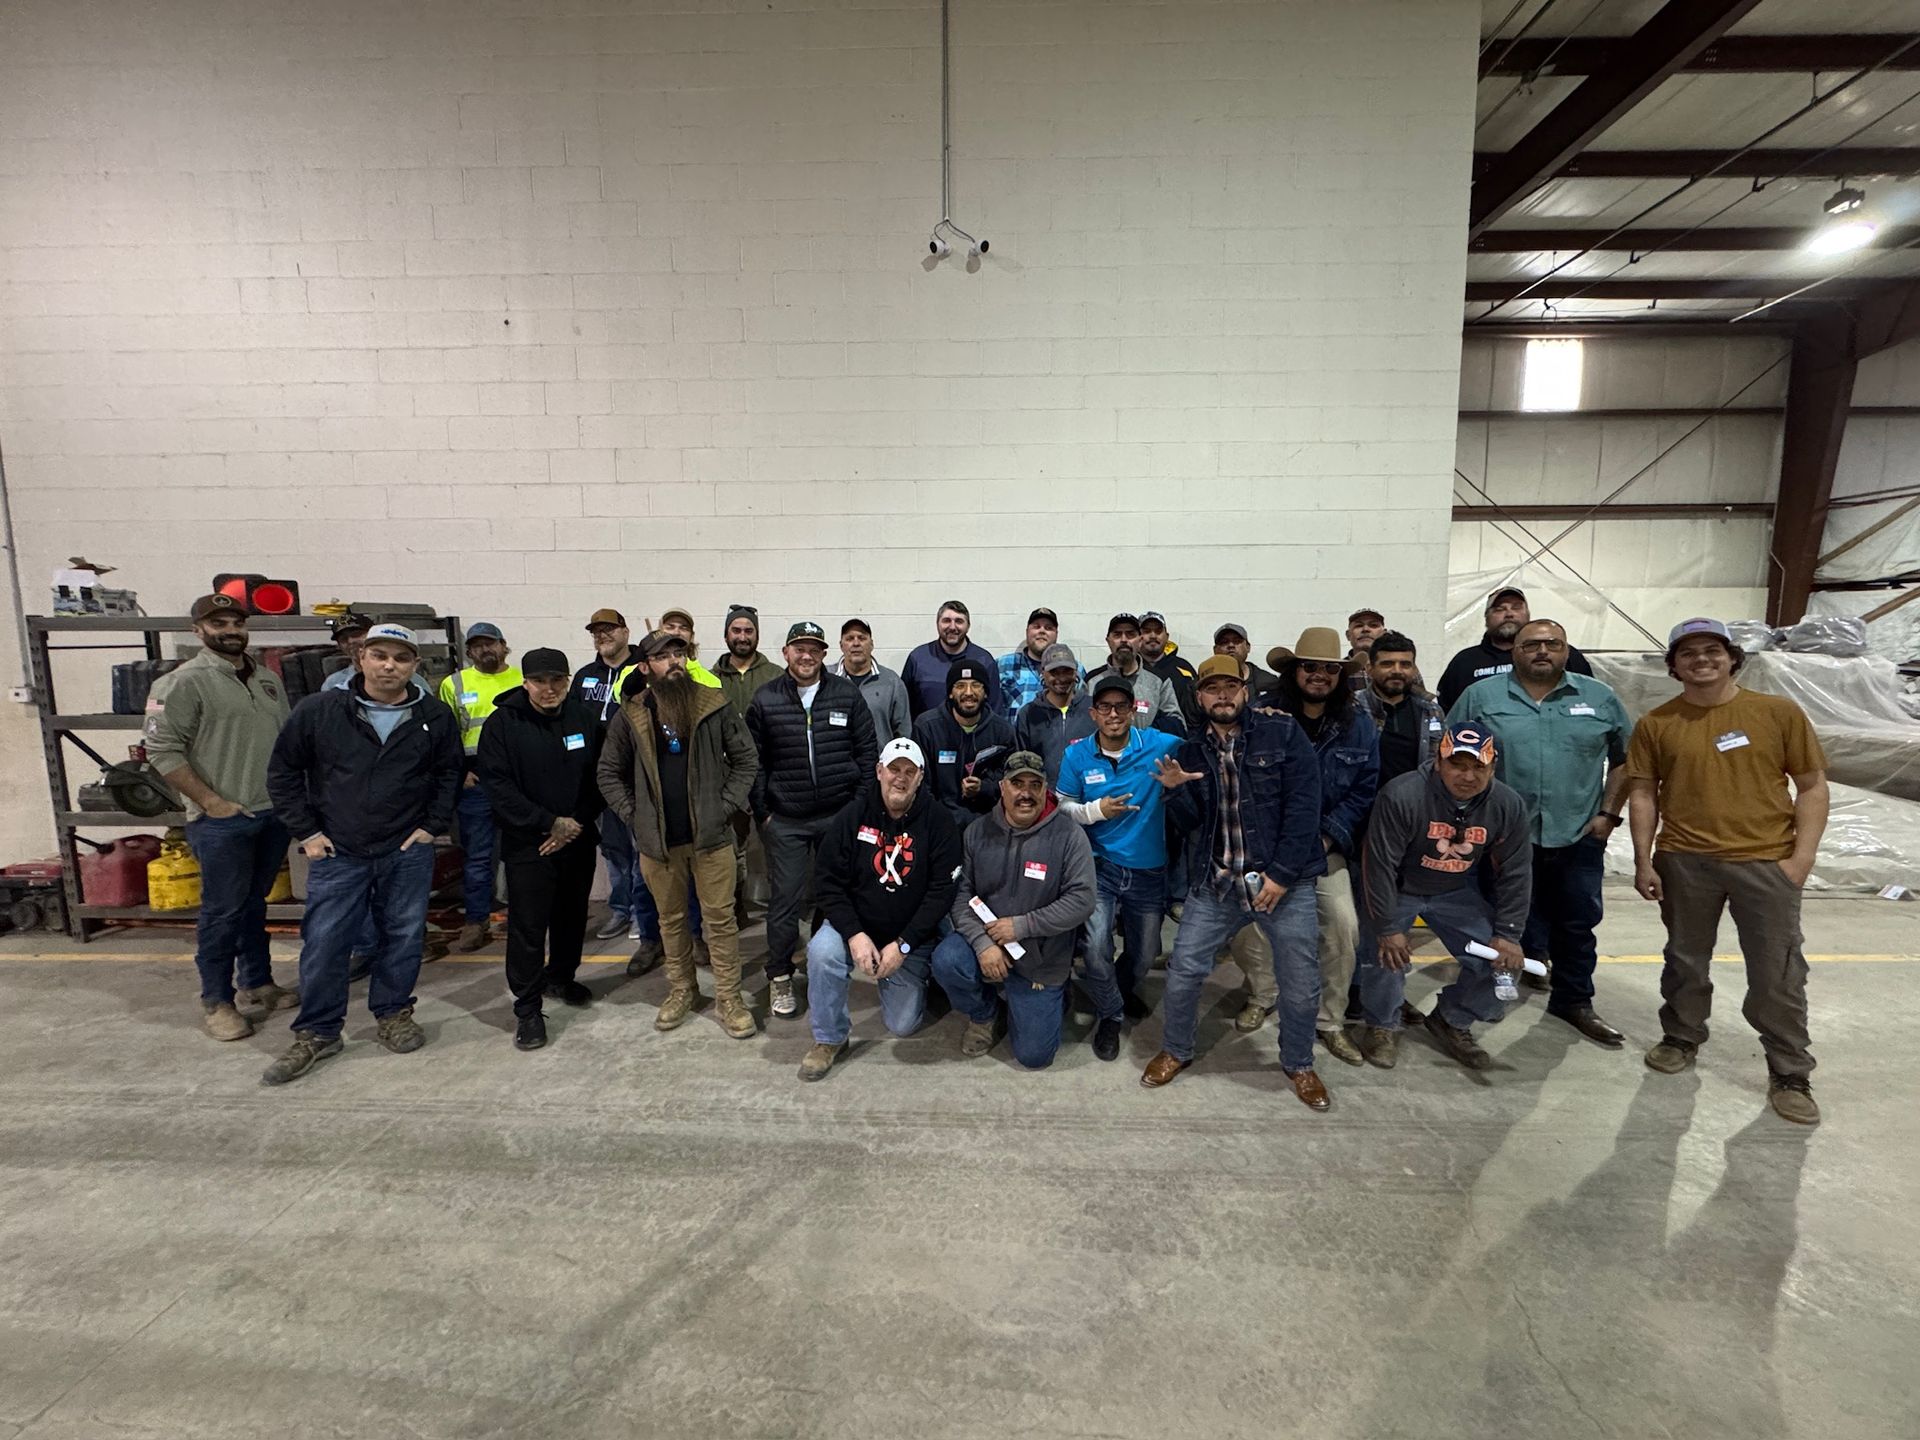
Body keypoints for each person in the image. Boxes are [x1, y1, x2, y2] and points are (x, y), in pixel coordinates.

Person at [1627, 618, 1829, 1126]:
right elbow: (1644, 793)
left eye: (1712, 650)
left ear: (1732, 658)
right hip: (1685, 860)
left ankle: (1789, 1071)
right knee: (1685, 960)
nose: (1701, 659)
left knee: (1776, 974)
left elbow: (1811, 786)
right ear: (1674, 665)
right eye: (1688, 652)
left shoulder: (1777, 713)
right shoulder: (1657, 723)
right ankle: (1681, 1036)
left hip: (1765, 862)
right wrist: (1644, 858)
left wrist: (1800, 860)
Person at [261, 624, 463, 1085]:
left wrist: (431, 827)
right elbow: (284, 773)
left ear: (415, 665)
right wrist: (308, 831)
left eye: (400, 657)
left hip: (405, 850)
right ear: (361, 660)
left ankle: (392, 1013)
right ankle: (318, 1031)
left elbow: (448, 774)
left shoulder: (432, 716)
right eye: (380, 655)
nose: (389, 665)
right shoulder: (320, 711)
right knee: (326, 943)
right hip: (338, 851)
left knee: (403, 936)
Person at [1141, 656, 1329, 1109]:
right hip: (1217, 884)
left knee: (1300, 983)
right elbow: (1190, 824)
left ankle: (1299, 1063)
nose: (1222, 695)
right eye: (1212, 688)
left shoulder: (1282, 734)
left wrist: (1282, 876)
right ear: (1199, 696)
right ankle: (1176, 1050)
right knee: (1184, 971)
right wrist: (1174, 790)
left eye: (1230, 686)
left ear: (1245, 690)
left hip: (1283, 884)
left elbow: (1305, 811)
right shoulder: (1189, 750)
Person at [1449, 619, 1632, 1047]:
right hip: (1505, 839)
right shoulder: (1481, 696)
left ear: (1567, 651)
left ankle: (1574, 1001)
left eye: (1553, 644)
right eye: (1532, 644)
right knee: (1502, 922)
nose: (1542, 651)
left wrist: (1608, 814)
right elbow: (1450, 755)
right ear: (1515, 651)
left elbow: (1626, 759)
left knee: (1578, 923)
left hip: (1578, 832)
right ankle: (1491, 996)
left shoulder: (1599, 698)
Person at [144, 592, 297, 1041]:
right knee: (223, 911)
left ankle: (258, 983)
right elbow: (161, 750)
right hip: (222, 820)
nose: (230, 631)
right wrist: (210, 801)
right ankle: (217, 1000)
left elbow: (286, 741)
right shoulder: (181, 683)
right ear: (198, 631)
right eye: (219, 624)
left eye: (236, 623)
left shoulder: (267, 679)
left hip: (270, 812)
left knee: (254, 905)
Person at [598, 629, 759, 1037]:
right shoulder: (631, 714)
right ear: (646, 666)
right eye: (663, 656)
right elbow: (608, 772)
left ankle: (729, 997)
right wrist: (635, 816)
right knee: (671, 921)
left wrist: (723, 808)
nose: (674, 662)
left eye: (679, 653)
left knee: (720, 922)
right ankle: (682, 989)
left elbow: (746, 760)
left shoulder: (713, 704)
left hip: (711, 838)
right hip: (659, 844)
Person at [1358, 723, 1531, 1071]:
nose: (1467, 776)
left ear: (1492, 767)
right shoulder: (1402, 795)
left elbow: (1516, 872)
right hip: (1401, 889)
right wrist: (1388, 927)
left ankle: (1452, 1019)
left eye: (1478, 767)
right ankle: (1382, 1024)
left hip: (1455, 891)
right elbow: (1379, 866)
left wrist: (1509, 934)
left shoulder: (1507, 805)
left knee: (1504, 968)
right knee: (1385, 953)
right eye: (1457, 765)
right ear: (1438, 762)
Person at [799, 738, 963, 1081]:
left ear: (920, 777)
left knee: (902, 1025)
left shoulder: (939, 822)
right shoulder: (852, 817)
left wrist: (904, 944)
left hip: (909, 936)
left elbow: (941, 893)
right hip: (857, 924)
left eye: (909, 771)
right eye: (893, 769)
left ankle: (925, 983)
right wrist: (854, 934)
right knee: (822, 951)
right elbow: (827, 881)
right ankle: (829, 1039)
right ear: (878, 772)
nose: (900, 778)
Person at [747, 620, 880, 1019]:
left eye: (814, 649)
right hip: (785, 819)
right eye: (798, 648)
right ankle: (780, 975)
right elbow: (754, 762)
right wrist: (764, 812)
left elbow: (867, 752)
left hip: (838, 816)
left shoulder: (845, 695)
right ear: (786, 653)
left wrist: (857, 807)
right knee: (785, 901)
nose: (806, 656)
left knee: (834, 894)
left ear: (825, 654)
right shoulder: (766, 698)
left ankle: (827, 962)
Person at [1258, 627, 1378, 1068]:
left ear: (1340, 676)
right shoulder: (1261, 716)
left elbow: (1365, 789)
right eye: (1311, 666)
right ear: (1294, 670)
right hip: (1266, 850)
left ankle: (1330, 1021)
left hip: (1324, 848)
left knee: (1344, 928)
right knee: (1246, 927)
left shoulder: (1359, 725)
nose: (1320, 675)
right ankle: (1262, 993)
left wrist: (1328, 834)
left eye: (1330, 669)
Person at [474, 647, 605, 1051]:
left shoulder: (583, 717)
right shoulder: (503, 724)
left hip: (576, 838)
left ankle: (561, 977)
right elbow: (497, 786)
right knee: (529, 927)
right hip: (529, 844)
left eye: (557, 680)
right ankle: (528, 1009)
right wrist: (547, 823)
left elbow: (600, 777)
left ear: (567, 681)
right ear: (526, 682)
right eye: (540, 681)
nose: (549, 689)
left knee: (571, 916)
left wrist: (573, 823)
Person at [932, 750, 1096, 1068]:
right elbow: (961, 895)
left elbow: (1083, 900)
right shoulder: (976, 832)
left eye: (1034, 785)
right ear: (1002, 788)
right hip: (988, 941)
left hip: (1041, 956)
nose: (1025, 794)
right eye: (1017, 784)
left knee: (1034, 1056)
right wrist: (983, 945)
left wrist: (1020, 927)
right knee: (947, 960)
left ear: (1045, 789)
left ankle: (1051, 995)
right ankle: (985, 1014)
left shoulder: (1069, 836)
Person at [1055, 673, 1185, 1057]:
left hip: (1149, 870)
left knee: (1145, 954)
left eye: (1122, 707)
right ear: (1093, 713)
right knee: (1095, 949)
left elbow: (1209, 747)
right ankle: (1110, 1014)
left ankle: (1118, 989)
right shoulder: (1075, 754)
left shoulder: (1161, 745)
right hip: (1099, 868)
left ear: (1133, 711)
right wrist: (1097, 811)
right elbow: (1062, 808)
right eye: (1106, 707)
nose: (1114, 714)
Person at [574, 607, 661, 963]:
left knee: (644, 850)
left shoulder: (642, 670)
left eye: (609, 629)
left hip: (639, 778)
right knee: (613, 850)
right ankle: (620, 908)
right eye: (596, 631)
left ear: (625, 632)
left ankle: (644, 917)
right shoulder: (584, 677)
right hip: (599, 777)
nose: (602, 636)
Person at [438, 622, 522, 953]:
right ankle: (476, 920)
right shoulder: (453, 683)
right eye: (477, 645)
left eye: (490, 644)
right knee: (478, 857)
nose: (484, 650)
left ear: (503, 645)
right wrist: (459, 773)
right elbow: (444, 736)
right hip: (476, 781)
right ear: (469, 651)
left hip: (517, 781)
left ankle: (524, 913)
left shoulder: (521, 678)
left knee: (521, 852)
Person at [1436, 586, 1592, 711]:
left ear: (1528, 615)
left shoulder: (1560, 654)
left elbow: (1591, 700)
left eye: (1516, 608)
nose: (1509, 614)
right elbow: (1448, 712)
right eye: (1499, 609)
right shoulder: (1465, 662)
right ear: (1486, 618)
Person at [911, 659, 1017, 832]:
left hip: (991, 826)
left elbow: (1012, 781)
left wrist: (984, 789)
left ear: (986, 693)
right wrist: (942, 820)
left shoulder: (1003, 731)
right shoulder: (927, 727)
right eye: (960, 686)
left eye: (976, 685)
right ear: (950, 693)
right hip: (939, 825)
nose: (968, 692)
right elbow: (920, 785)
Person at [1355, 630, 1445, 788]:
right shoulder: (1352, 707)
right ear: (1369, 668)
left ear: (1414, 670)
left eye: (1405, 664)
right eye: (1387, 664)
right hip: (1364, 806)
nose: (1397, 671)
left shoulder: (1432, 712)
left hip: (1415, 806)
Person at [901, 599, 999, 718]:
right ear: (937, 624)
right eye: (946, 621)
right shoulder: (918, 658)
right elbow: (904, 707)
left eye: (959, 621)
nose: (952, 627)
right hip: (926, 734)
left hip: (973, 735)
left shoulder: (984, 660)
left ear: (968, 626)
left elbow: (994, 708)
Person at [1083, 613, 1182, 731]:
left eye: (1130, 634)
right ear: (1108, 641)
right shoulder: (1091, 681)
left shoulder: (1159, 681)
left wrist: (1145, 737)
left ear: (1140, 640)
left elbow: (1177, 723)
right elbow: (1082, 724)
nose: (1124, 640)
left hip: (1147, 749)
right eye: (1117, 634)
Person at [1012, 642, 1092, 786]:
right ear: (1042, 673)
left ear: (1076, 672)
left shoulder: (1092, 709)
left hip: (1088, 797)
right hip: (1046, 799)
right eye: (1054, 672)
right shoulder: (1028, 714)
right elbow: (1021, 765)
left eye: (1067, 671)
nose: (1061, 678)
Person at [830, 617, 911, 741]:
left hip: (879, 759)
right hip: (836, 759)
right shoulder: (825, 678)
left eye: (862, 638)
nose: (856, 643)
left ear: (872, 644)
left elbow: (903, 733)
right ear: (841, 645)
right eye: (849, 638)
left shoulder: (892, 682)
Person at [997, 606, 1076, 722]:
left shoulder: (1073, 668)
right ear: (1027, 631)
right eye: (1036, 627)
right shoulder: (1003, 665)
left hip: (1058, 737)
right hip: (1013, 739)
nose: (1042, 631)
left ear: (1056, 634)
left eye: (1048, 628)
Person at [713, 604, 782, 715]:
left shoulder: (776, 676)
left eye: (749, 631)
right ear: (726, 636)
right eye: (736, 631)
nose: (742, 638)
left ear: (757, 637)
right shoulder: (711, 679)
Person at [1136, 610, 1199, 726]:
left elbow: (1196, 713)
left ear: (1167, 636)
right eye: (1146, 631)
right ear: (1137, 636)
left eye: (1158, 631)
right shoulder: (1129, 669)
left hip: (1178, 739)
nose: (1153, 636)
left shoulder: (1184, 669)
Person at [652, 606, 722, 689]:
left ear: (692, 636)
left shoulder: (710, 682)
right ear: (658, 633)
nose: (676, 633)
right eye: (670, 627)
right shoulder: (640, 675)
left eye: (683, 628)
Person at [1214, 623, 1274, 696]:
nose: (1231, 645)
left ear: (1248, 647)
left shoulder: (1269, 682)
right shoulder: (1203, 685)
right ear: (1215, 650)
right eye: (1224, 642)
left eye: (1237, 641)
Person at [320, 610, 373, 691]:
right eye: (343, 639)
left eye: (356, 634)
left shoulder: (394, 673)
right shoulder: (334, 683)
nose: (350, 641)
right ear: (339, 646)